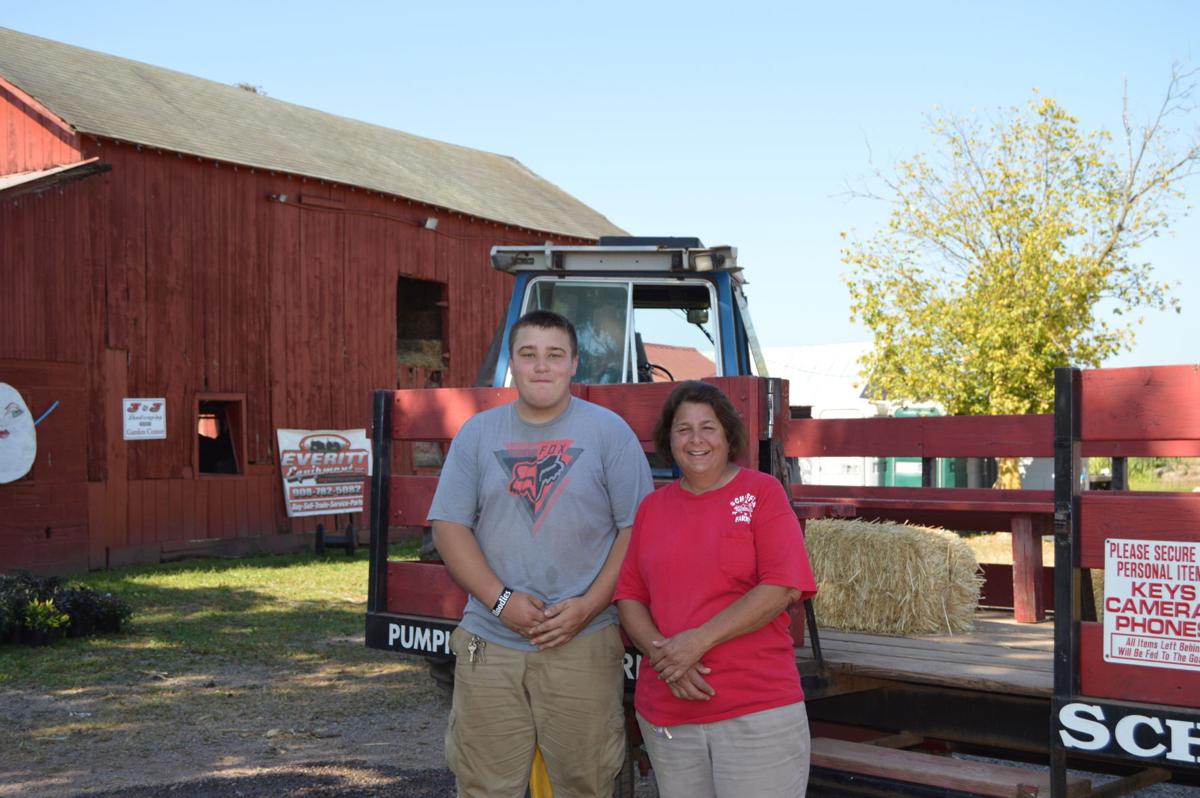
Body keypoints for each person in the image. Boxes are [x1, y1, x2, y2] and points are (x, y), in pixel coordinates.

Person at [428, 309, 654, 798]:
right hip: (488, 640)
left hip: (585, 640)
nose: (542, 366)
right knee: (484, 783)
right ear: (513, 363)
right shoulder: (478, 434)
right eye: (528, 355)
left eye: (555, 355)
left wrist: (589, 606)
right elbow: (449, 527)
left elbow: (636, 530)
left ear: (575, 364)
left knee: (585, 782)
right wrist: (502, 601)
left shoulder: (609, 434)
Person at [615, 381, 818, 798]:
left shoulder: (762, 493)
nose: (695, 440)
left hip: (755, 709)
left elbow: (783, 586)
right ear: (668, 440)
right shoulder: (652, 508)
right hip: (668, 710)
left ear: (728, 436)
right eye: (682, 429)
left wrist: (696, 643)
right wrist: (663, 656)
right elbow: (630, 597)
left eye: (708, 427)